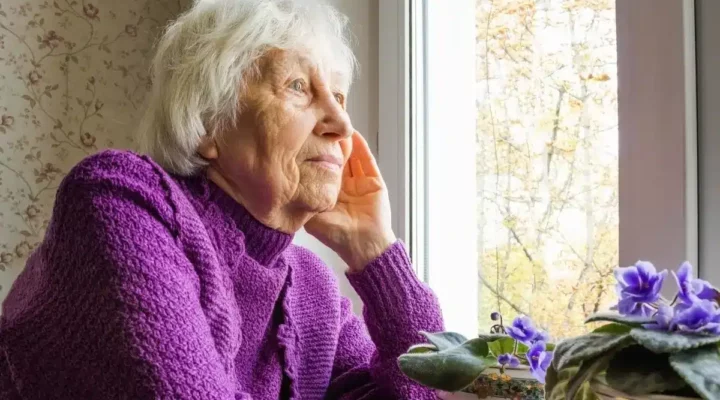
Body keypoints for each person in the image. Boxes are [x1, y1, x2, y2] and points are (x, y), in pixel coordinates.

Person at [0, 0, 444, 399]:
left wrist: (377, 254)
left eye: (339, 96)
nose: (342, 123)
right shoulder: (121, 201)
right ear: (209, 119)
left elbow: (422, 393)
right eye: (297, 86)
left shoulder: (311, 287)